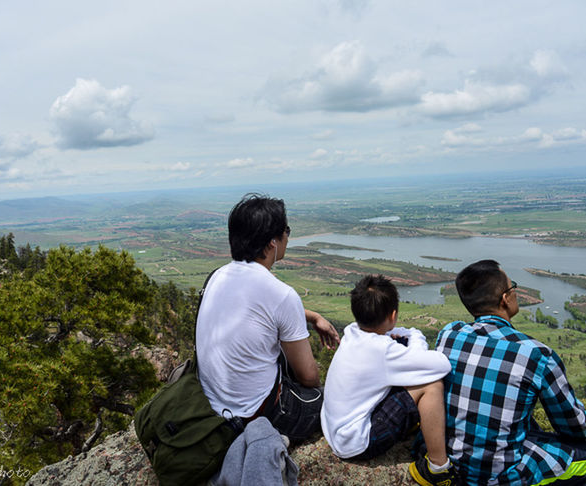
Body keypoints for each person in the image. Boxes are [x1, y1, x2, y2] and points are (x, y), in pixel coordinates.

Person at [437, 259, 586, 486]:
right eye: (512, 287)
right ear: (505, 298)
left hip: (451, 460)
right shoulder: (536, 354)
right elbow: (574, 428)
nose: (515, 292)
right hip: (498, 477)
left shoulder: (449, 334)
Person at [196, 193, 339, 440]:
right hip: (255, 415)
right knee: (337, 400)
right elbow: (309, 377)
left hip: (212, 406)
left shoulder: (217, 276)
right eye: (286, 230)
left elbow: (255, 313)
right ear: (273, 243)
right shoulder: (281, 295)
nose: (287, 236)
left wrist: (311, 316)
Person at [321, 275, 459, 486]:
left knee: (407, 370)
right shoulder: (382, 351)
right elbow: (441, 365)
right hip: (357, 442)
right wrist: (416, 337)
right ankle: (438, 468)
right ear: (393, 315)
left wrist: (404, 337)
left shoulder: (352, 331)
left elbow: (390, 338)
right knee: (431, 385)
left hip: (336, 430)